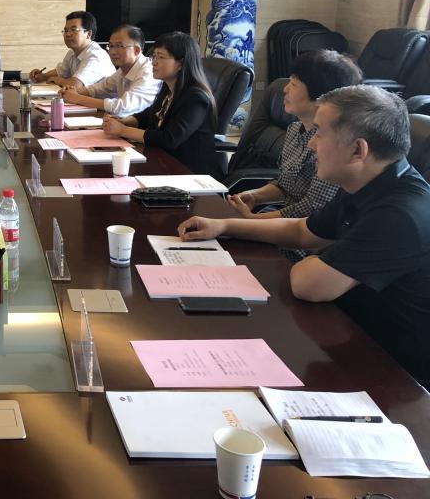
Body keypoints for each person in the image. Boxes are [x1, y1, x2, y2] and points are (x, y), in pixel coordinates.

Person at [178, 85, 430, 386]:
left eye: (320, 133)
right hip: (344, 331)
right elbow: (303, 230)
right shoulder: (368, 182)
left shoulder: (399, 214)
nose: (311, 144)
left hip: (391, 372)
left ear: (357, 150)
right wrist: (224, 226)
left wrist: (317, 259)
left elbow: (309, 285)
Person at [228, 50, 362, 219]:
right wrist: (254, 196)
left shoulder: (333, 145)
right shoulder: (294, 129)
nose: (285, 89)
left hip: (306, 230)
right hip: (283, 223)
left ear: (320, 96)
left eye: (293, 84)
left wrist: (253, 220)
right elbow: (285, 186)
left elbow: (314, 209)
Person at [102, 31, 220, 175]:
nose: (154, 62)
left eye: (161, 57)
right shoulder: (168, 88)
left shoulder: (196, 98)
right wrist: (126, 121)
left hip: (189, 172)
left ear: (181, 63)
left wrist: (123, 131)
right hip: (164, 162)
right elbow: (150, 115)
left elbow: (169, 139)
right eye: (154, 56)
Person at [59, 24, 161, 117]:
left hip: (142, 129)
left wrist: (77, 98)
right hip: (121, 124)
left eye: (119, 46)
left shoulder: (148, 73)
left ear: (136, 50)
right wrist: (72, 92)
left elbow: (122, 107)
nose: (113, 52)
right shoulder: (123, 70)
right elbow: (100, 88)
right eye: (111, 46)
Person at [30, 11, 115, 88]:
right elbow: (61, 72)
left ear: (88, 34)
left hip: (100, 100)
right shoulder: (72, 52)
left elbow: (75, 85)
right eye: (66, 30)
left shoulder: (95, 56)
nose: (68, 34)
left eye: (73, 30)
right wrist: (42, 76)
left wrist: (57, 80)